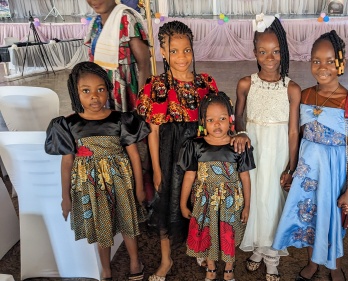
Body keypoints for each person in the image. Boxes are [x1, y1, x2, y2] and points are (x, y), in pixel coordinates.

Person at [272, 30, 348, 281]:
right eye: (316, 60)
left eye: (329, 61)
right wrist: (292, 170)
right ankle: (313, 263)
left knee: (332, 219)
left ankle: (335, 266)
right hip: (308, 172)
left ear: (341, 62)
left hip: (334, 176)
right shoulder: (306, 95)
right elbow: (299, 136)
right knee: (311, 217)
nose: (322, 67)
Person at [45, 61, 149, 281]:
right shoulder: (69, 124)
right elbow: (67, 163)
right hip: (90, 186)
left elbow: (134, 156)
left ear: (108, 90)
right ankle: (106, 268)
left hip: (120, 182)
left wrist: (139, 187)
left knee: (127, 223)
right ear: (75, 93)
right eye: (86, 91)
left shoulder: (120, 119)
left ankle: (134, 261)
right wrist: (66, 197)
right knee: (101, 227)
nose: (94, 96)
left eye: (100, 89)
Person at [136, 21, 220, 281]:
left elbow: (213, 124)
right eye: (174, 51)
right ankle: (166, 258)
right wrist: (158, 170)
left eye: (186, 50)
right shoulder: (156, 86)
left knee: (201, 204)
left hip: (200, 155)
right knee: (166, 207)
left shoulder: (205, 83)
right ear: (162, 52)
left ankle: (203, 249)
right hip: (169, 157)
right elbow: (153, 132)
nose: (181, 57)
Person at [234, 14, 301, 281]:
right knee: (256, 199)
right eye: (263, 52)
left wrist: (291, 167)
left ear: (283, 52)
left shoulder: (291, 88)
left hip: (278, 151)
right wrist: (240, 132)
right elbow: (238, 116)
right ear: (255, 53)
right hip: (255, 150)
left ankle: (272, 257)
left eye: (275, 52)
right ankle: (259, 249)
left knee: (273, 202)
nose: (269, 57)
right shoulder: (246, 84)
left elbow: (294, 130)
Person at [179, 91, 255, 281]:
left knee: (228, 233)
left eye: (222, 118)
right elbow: (189, 176)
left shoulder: (238, 146)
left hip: (231, 202)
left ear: (230, 119)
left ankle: (229, 268)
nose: (217, 124)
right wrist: (182, 204)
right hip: (204, 201)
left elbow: (245, 177)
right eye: (211, 119)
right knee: (208, 232)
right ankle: (210, 267)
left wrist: (247, 205)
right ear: (203, 121)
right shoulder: (195, 145)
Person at [85, 0, 151, 112]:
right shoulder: (96, 22)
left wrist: (142, 104)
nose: (93, 1)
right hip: (101, 92)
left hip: (125, 93)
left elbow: (144, 66)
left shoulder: (126, 19)